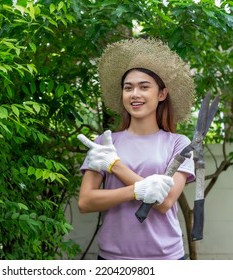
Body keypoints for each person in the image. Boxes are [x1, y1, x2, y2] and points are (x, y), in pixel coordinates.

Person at [77, 38, 196, 260]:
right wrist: (136, 191)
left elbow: (165, 201)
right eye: (128, 88)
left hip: (167, 258)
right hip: (113, 259)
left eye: (144, 87)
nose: (135, 94)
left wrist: (116, 166)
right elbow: (85, 202)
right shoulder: (106, 142)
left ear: (161, 94)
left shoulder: (178, 143)